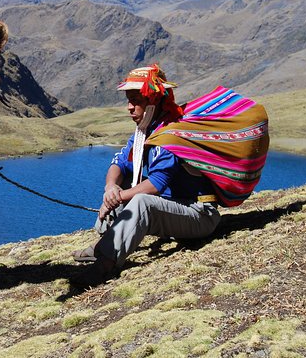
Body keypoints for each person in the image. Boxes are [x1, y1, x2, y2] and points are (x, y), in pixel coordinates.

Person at [71, 64, 222, 287]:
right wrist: (111, 187)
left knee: (140, 200)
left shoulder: (171, 133)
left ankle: (105, 263)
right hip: (174, 209)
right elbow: (119, 163)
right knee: (122, 192)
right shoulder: (143, 133)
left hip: (199, 214)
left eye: (136, 100)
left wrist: (119, 197)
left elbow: (157, 184)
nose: (129, 108)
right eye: (128, 100)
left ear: (154, 101)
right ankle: (104, 243)